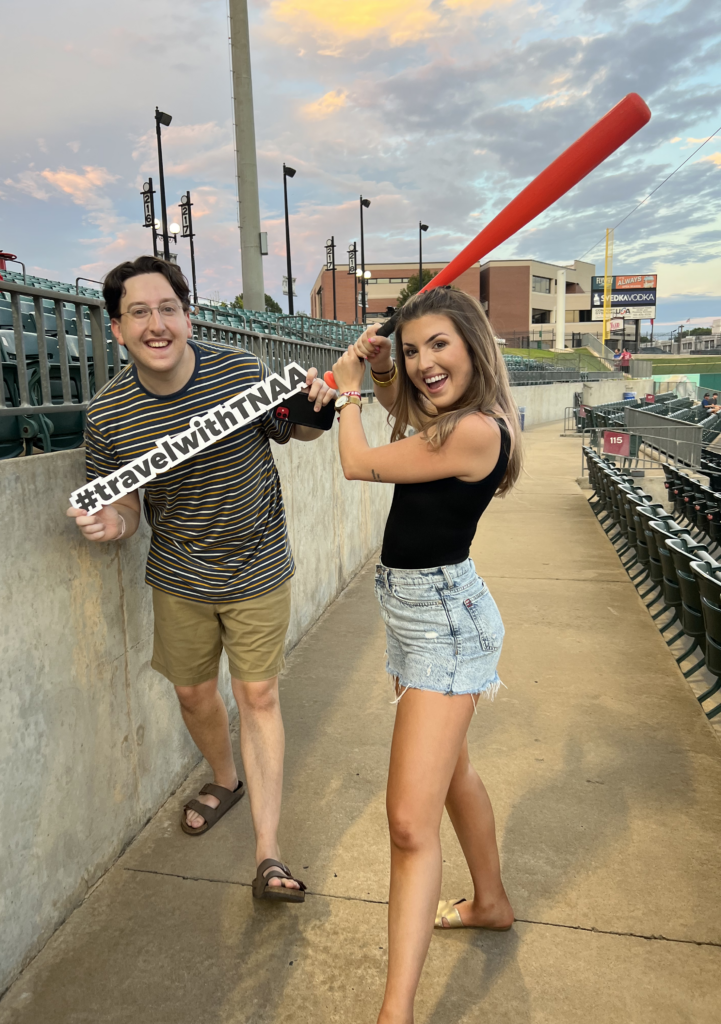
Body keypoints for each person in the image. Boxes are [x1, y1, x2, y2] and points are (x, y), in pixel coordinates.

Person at [67, 255, 335, 903]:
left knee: (258, 697)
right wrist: (115, 526)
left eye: (168, 309)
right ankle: (226, 778)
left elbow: (293, 430)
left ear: (187, 315)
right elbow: (126, 504)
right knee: (193, 696)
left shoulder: (241, 372)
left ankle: (268, 855)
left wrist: (316, 406)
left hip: (259, 562)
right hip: (180, 573)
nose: (156, 324)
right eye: (139, 313)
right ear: (117, 329)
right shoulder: (108, 415)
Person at [331, 286, 521, 1024]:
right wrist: (379, 374)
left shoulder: (473, 431)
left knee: (409, 824)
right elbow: (407, 414)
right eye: (411, 351)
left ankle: (394, 1014)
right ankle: (491, 902)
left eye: (438, 344)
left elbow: (360, 463)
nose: (423, 362)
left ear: (473, 343)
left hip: (444, 624)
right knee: (452, 772)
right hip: (416, 613)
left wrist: (348, 393)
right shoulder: (450, 420)